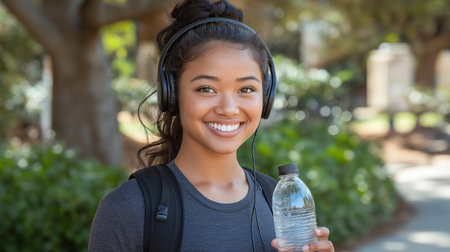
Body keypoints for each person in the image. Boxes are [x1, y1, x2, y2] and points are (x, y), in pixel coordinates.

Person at [89, 0, 335, 251]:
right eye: (206, 89)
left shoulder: (277, 203)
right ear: (172, 94)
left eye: (246, 89)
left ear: (266, 97)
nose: (228, 108)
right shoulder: (128, 209)